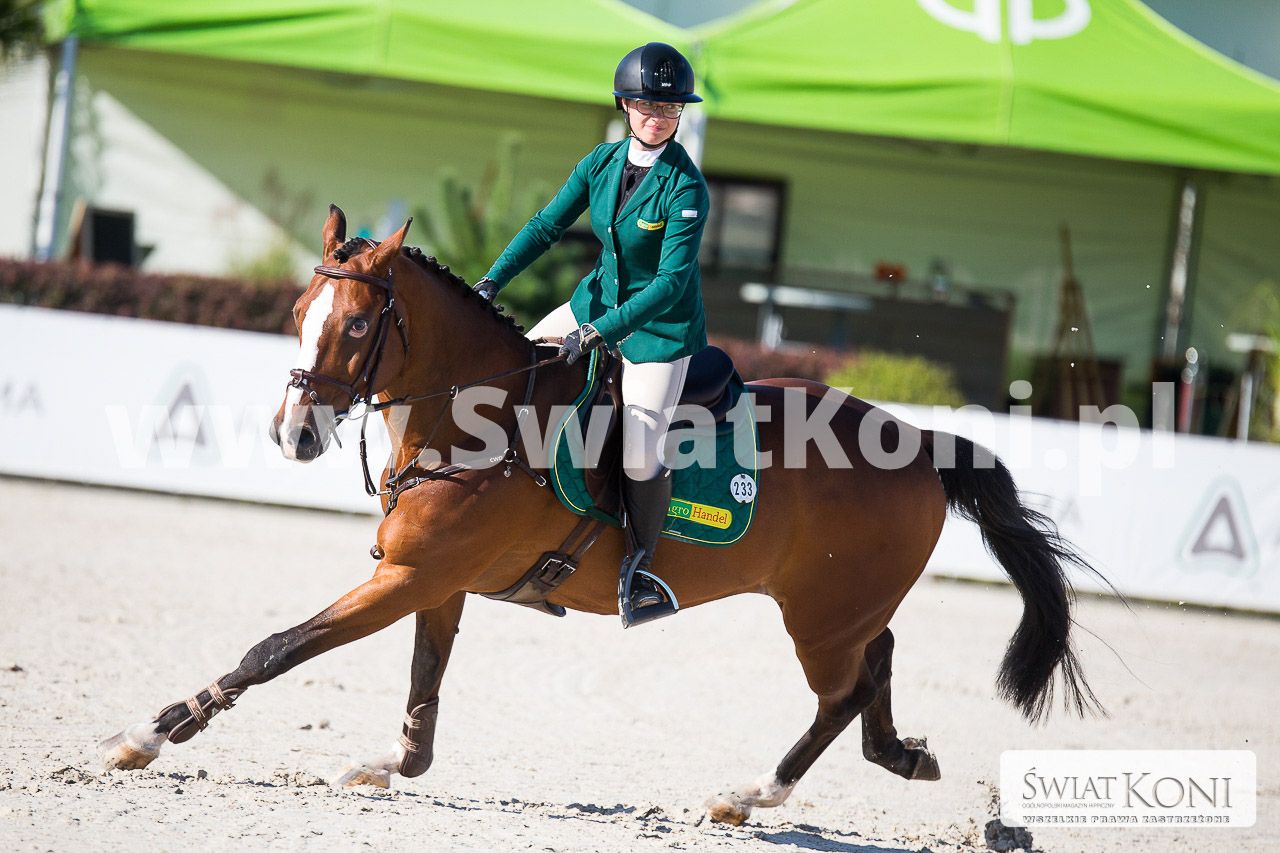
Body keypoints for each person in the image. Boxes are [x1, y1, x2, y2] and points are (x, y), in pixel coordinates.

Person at [473, 42, 709, 627]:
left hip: (658, 331)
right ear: (626, 104)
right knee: (516, 378)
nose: (659, 117)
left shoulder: (686, 187)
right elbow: (546, 226)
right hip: (592, 305)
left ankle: (642, 570)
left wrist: (599, 332)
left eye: (671, 108)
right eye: (649, 105)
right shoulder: (599, 163)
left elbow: (670, 283)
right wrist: (491, 282)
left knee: (639, 449)